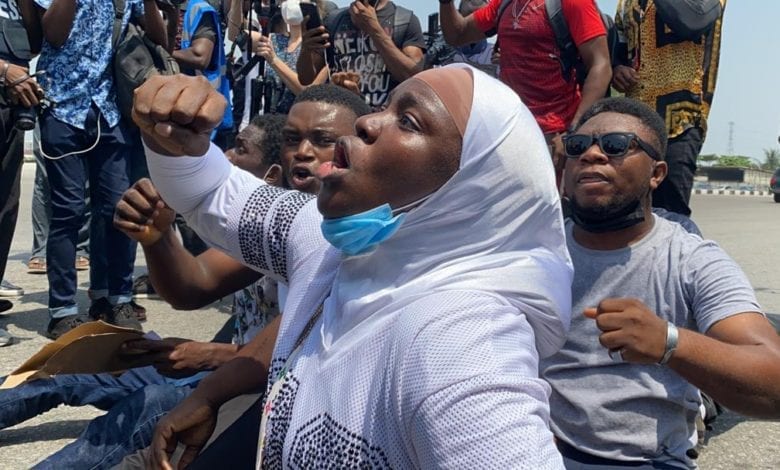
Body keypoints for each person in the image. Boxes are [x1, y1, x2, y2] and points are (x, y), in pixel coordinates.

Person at [133, 64, 572, 468]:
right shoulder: (333, 242)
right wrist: (170, 131)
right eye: (385, 106)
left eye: (409, 121)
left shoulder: (459, 337)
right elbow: (211, 193)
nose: (367, 122)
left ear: (467, 189)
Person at [0, 115, 286, 469]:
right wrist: (156, 236)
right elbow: (192, 286)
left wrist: (211, 355)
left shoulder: (328, 242)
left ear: (272, 174)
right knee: (68, 363)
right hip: (212, 365)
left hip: (240, 390)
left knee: (132, 417)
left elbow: (295, 358)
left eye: (240, 149)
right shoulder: (268, 233)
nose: (226, 155)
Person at [542, 97, 780, 469]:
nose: (591, 154)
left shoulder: (691, 260)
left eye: (615, 145)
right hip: (535, 450)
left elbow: (774, 380)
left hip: (648, 461)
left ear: (657, 173)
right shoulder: (535, 252)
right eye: (577, 146)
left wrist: (669, 342)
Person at [32, 0, 167, 339]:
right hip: (63, 108)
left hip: (110, 111)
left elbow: (160, 37)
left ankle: (117, 299)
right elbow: (54, 34)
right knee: (68, 211)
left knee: (119, 208)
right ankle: (61, 310)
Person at [438, 0, 612, 182]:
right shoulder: (504, 3)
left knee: (553, 205)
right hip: (512, 129)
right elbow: (457, 34)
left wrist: (574, 133)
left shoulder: (573, 3)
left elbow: (600, 65)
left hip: (555, 137)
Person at [611, 1, 726, 217]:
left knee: (672, 216)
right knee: (627, 214)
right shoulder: (625, 3)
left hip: (680, 121)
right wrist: (617, 67)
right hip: (633, 124)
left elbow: (691, 21)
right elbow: (619, 42)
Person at [297, 0, 426, 107]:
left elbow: (414, 77)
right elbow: (306, 78)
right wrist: (306, 49)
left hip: (383, 122)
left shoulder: (405, 20)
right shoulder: (333, 20)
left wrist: (373, 28)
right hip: (344, 116)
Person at [0, 0, 43, 314]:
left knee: (6, 204)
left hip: (13, 104)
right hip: (7, 82)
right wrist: (3, 70)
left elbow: (35, 42)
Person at [165, 0, 234, 149]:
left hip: (199, 109)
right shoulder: (150, 7)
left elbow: (200, 57)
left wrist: (160, 51)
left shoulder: (199, 9)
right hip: (169, 104)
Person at [425, 0, 498, 77]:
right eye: (468, 19)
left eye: (482, 19)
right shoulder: (441, 52)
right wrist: (427, 58)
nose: (474, 24)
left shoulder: (496, 54)